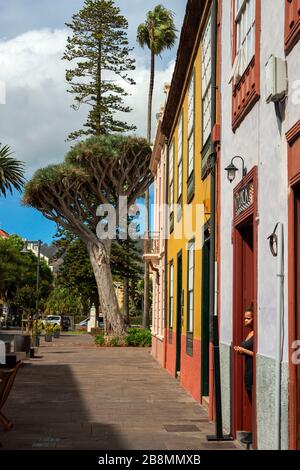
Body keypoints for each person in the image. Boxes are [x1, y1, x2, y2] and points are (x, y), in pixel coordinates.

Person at [234, 307, 254, 445]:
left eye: (248, 318)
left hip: (253, 371)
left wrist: (243, 350)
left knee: (253, 401)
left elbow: (256, 354)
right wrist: (241, 350)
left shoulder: (257, 334)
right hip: (248, 370)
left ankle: (254, 433)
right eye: (244, 318)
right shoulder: (250, 333)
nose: (245, 320)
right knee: (250, 399)